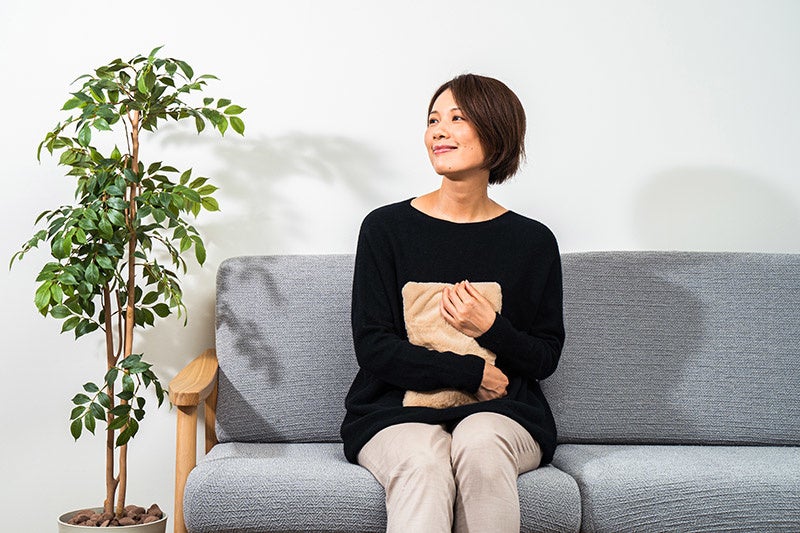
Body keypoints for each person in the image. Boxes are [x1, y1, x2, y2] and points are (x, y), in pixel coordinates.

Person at [340, 73, 565, 533]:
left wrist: (491, 327)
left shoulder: (533, 242)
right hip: (394, 413)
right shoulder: (385, 229)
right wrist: (470, 372)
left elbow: (545, 357)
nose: (439, 131)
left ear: (496, 130)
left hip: (504, 414)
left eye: (457, 118)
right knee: (425, 462)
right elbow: (373, 346)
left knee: (480, 446)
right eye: (433, 120)